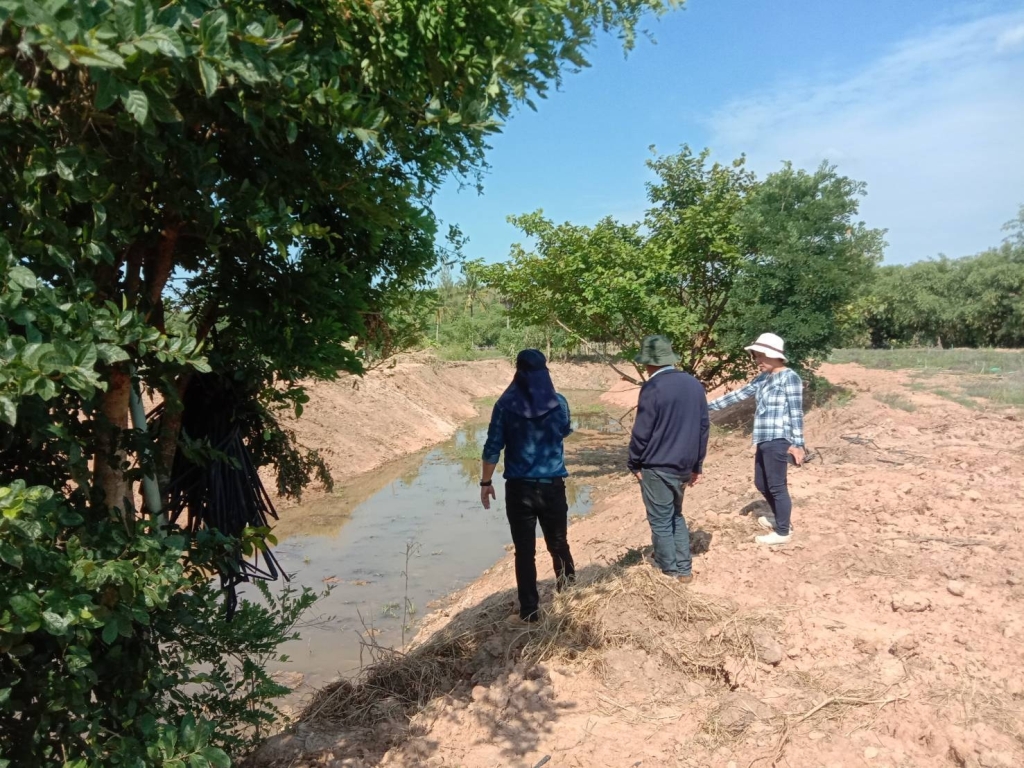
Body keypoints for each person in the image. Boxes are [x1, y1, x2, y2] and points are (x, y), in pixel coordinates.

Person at [480, 349, 575, 626]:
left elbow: (492, 447)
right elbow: (564, 430)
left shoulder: (504, 405)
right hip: (552, 486)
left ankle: (530, 612)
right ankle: (570, 596)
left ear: (518, 372)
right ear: (545, 372)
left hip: (519, 490)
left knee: (524, 552)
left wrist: (486, 482)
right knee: (558, 543)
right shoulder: (559, 403)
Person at [707, 332, 806, 545]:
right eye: (755, 356)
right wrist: (705, 406)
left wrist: (798, 444)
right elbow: (738, 395)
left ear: (773, 355)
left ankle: (783, 532)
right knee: (761, 483)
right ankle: (781, 519)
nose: (757, 361)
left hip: (779, 438)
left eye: (760, 356)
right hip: (763, 438)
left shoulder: (790, 378)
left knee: (777, 486)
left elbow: (796, 412)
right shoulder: (763, 378)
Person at [627, 335, 710, 584]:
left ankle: (669, 572)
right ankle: (684, 570)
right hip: (684, 466)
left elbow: (642, 431)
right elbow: (703, 427)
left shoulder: (652, 387)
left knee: (661, 521)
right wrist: (697, 465)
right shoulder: (694, 384)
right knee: (676, 515)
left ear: (648, 363)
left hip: (657, 466)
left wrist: (634, 462)